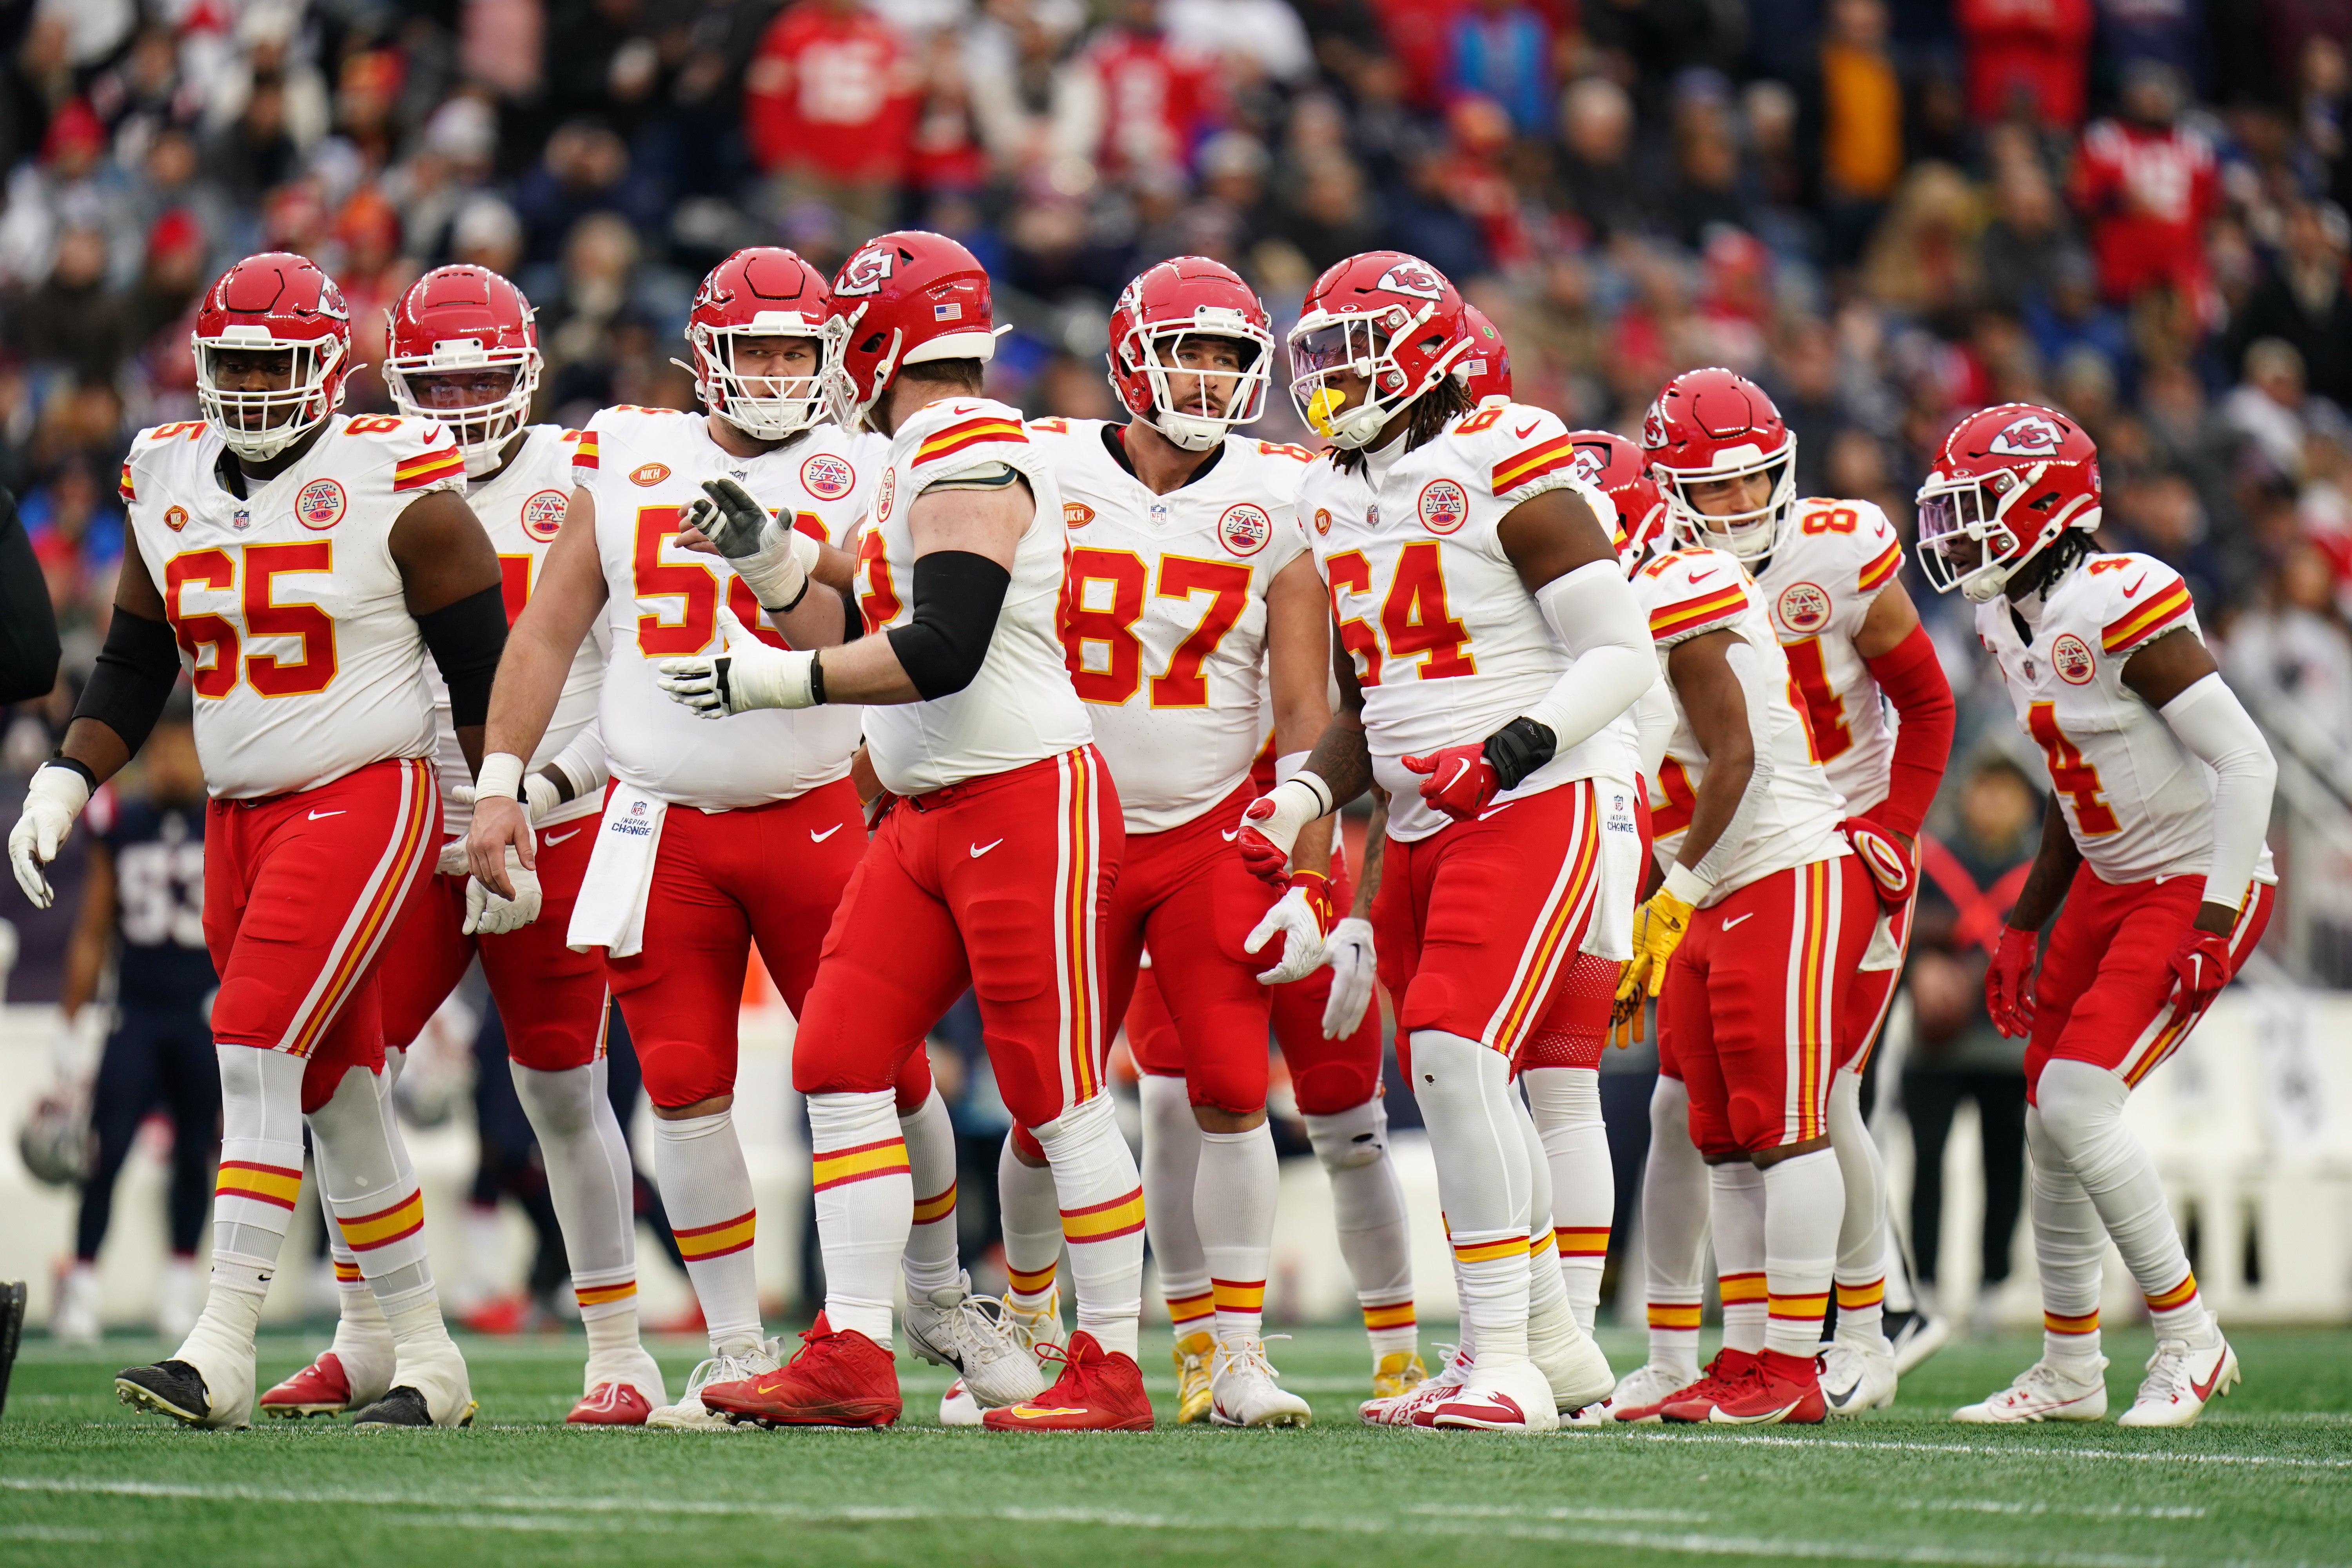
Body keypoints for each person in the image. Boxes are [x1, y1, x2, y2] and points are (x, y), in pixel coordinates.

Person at [465, 247, 1031, 1429]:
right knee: (681, 1085)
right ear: (704, 353)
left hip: (818, 804)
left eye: (794, 349)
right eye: (755, 348)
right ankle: (730, 1345)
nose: (775, 372)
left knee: (888, 1071)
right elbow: (547, 632)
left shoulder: (872, 461)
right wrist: (505, 779)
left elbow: (868, 628)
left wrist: (772, 564)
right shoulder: (625, 452)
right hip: (657, 819)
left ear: (831, 355)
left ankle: (934, 1294)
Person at [641, 230, 1147, 1433]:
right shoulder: (923, 450)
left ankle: (1114, 1367)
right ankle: (854, 1352)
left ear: (882, 336)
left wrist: (773, 682)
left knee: (1053, 1090)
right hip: (932, 812)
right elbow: (881, 604)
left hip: (1025, 798)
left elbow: (943, 646)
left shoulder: (967, 449)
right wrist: (774, 558)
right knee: (838, 1057)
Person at [10, 251, 501, 1430]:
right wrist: (68, 779)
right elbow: (136, 661)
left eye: (275, 362)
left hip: (361, 794)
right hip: (240, 818)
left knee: (253, 1039)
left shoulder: (397, 475)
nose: (251, 382)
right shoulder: (164, 472)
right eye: (231, 360)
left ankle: (220, 1346)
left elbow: (486, 662)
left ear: (329, 367)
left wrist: (501, 803)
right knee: (332, 1086)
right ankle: (431, 1360)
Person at [1244, 250, 1652, 1432]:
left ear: (1423, 354)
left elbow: (1619, 652)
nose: (1327, 380)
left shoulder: (1504, 454)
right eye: (1314, 355)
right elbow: (1378, 710)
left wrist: (1510, 754)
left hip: (1532, 798)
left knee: (1458, 1060)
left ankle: (1501, 1364)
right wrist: (1306, 804)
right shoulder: (1333, 493)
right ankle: (1549, 1347)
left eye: (1352, 353)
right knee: (1464, 1079)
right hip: (1425, 816)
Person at [257, 263, 662, 1425]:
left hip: (559, 822)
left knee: (562, 1091)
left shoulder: (583, 476)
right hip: (408, 822)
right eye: (442, 382)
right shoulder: (358, 471)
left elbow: (622, 675)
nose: (469, 402)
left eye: (490, 377)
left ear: (530, 370)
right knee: (341, 1066)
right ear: (398, 382)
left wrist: (535, 791)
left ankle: (619, 1350)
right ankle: (371, 1331)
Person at [1017, 254, 1361, 1427]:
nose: (1208, 377)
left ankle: (1236, 1353)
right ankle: (1026, 1332)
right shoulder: (1040, 462)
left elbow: (1309, 709)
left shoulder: (1283, 491)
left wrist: (1311, 874)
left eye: (1228, 355)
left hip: (1214, 828)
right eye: (1188, 350)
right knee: (1043, 1096)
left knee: (1226, 1088)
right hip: (1059, 822)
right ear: (1128, 355)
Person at [1600, 367, 1955, 1423]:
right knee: (1701, 1111)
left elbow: (1925, 707)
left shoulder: (1833, 547)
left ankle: (1864, 1329)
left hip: (1822, 838)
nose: (1741, 506)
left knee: (1817, 1098)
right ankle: (1712, 1351)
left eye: (1756, 483)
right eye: (1713, 491)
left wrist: (1887, 829)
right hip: (1718, 853)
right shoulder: (1653, 577)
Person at [1916, 403, 2277, 1427]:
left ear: (2043, 505)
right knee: (2047, 1118)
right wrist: (2027, 921)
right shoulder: (2005, 615)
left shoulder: (2116, 599)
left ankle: (2190, 1338)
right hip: (2106, 879)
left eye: (1977, 506)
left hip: (2191, 876)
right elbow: (2082, 788)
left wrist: (2213, 920)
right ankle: (2070, 1371)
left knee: (2078, 1104)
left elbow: (2249, 760)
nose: (1957, 531)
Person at [1608, 493, 1890, 1428]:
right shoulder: (1623, 611)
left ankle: (1793, 1364)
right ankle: (1743, 1354)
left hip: (1781, 866)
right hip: (1709, 881)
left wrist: (1672, 894)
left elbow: (1738, 759)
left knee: (1787, 1121)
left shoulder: (1685, 587)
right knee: (1720, 1131)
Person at [52, 701, 218, 1345]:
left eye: (184, 748)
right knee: (108, 1151)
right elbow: (93, 930)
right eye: (164, 749)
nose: (173, 761)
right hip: (140, 1012)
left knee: (194, 1154)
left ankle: (179, 1289)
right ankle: (83, 1284)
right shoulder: (124, 823)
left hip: (205, 1013)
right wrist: (72, 1029)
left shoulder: (224, 820)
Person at [1904, 754, 2041, 1328]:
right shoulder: (1933, 861)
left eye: (2004, 792)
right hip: (1938, 1045)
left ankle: (1992, 1283)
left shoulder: (2040, 865)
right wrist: (1919, 969)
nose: (1992, 803)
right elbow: (1897, 927)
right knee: (1927, 1161)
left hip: (2009, 1045)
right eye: (1984, 789)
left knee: (2004, 1165)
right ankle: (1926, 1282)